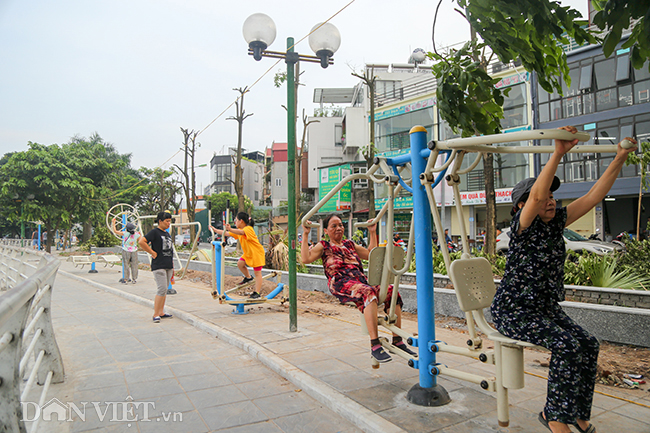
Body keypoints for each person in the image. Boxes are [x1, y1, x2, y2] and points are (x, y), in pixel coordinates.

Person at [491, 126, 637, 433]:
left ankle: (577, 414)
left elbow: (595, 194)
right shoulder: (523, 227)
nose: (549, 200)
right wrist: (558, 152)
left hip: (544, 309)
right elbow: (537, 196)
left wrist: (620, 157)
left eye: (553, 196)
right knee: (568, 345)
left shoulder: (556, 224)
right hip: (514, 311)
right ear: (522, 205)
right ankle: (553, 415)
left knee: (588, 343)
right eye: (543, 196)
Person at [301, 214, 416, 364]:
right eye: (334, 226)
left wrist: (372, 232)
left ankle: (397, 340)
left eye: (340, 225)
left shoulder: (349, 244)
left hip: (360, 281)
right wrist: (305, 234)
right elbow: (305, 258)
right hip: (341, 282)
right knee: (367, 293)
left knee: (391, 290)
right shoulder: (324, 246)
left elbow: (370, 254)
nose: (338, 228)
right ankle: (375, 345)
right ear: (326, 231)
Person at [210, 212, 265, 299]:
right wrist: (215, 230)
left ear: (241, 221)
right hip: (248, 254)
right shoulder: (239, 232)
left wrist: (231, 229)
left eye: (236, 220)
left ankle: (257, 292)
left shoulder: (248, 229)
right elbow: (227, 233)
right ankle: (248, 277)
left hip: (256, 253)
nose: (235, 222)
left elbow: (241, 232)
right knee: (240, 264)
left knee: (257, 273)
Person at [138, 211, 174, 323]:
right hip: (159, 265)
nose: (169, 223)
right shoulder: (154, 232)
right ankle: (155, 314)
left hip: (168, 265)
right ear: (160, 221)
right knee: (162, 288)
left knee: (164, 290)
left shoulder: (167, 234)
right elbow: (141, 241)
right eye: (167, 221)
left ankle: (161, 312)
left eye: (170, 221)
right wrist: (152, 252)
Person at [112, 218, 141, 284]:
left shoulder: (125, 233)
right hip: (134, 251)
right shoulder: (136, 234)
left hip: (126, 250)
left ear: (127, 228)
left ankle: (126, 279)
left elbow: (115, 231)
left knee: (126, 265)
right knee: (134, 265)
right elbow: (141, 240)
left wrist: (114, 223)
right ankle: (134, 279)